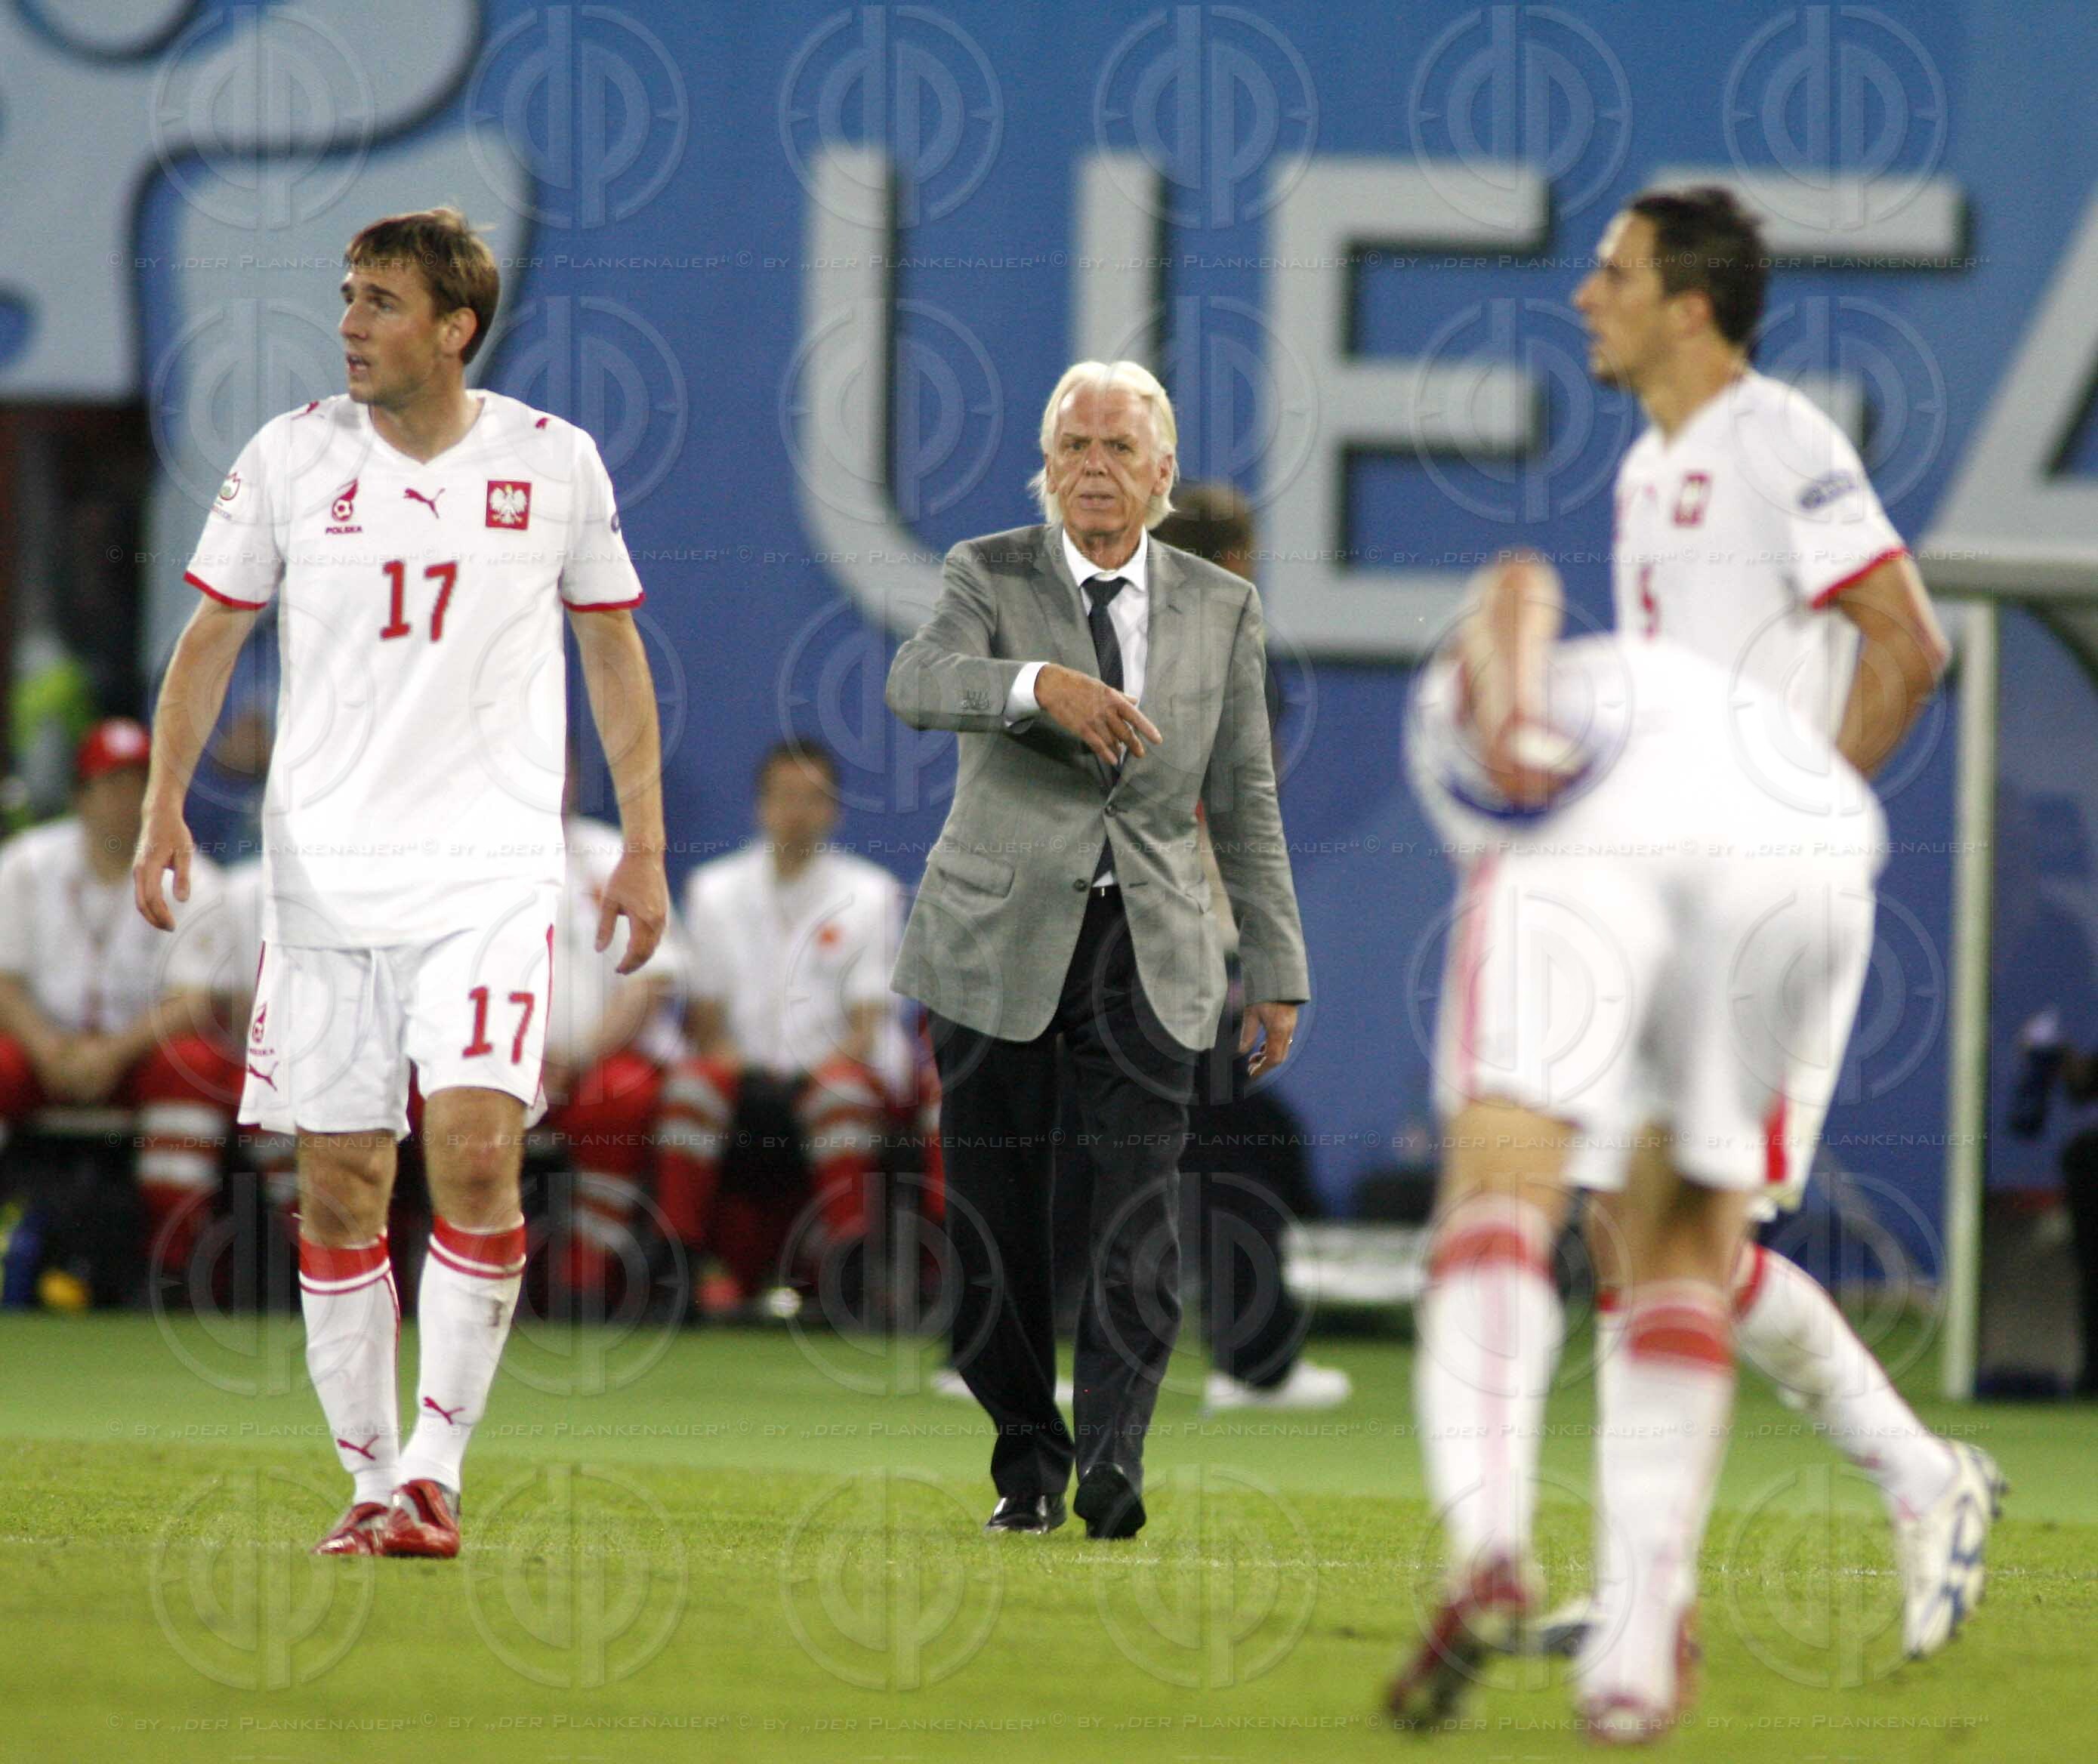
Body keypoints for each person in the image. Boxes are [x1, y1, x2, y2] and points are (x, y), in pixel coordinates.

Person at [134, 207, 667, 1560]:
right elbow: (210, 640)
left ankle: (436, 1466)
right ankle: (367, 1479)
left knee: (479, 1149)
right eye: (347, 297)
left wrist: (644, 845)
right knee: (339, 1185)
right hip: (323, 880)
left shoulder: (553, 464)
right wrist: (163, 810)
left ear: (453, 327)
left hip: (488, 875)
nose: (350, 324)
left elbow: (611, 653)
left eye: (378, 301)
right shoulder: (292, 456)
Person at [1391, 555, 1938, 1737]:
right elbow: (1522, 589)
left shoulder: (1458, 727)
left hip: (1601, 834)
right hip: (1814, 850)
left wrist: (1508, 714)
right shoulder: (1660, 686)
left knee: (1497, 1195)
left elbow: (1510, 587)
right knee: (1680, 1248)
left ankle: (1488, 1535)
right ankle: (1633, 1658)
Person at [1564, 182, 1998, 1661]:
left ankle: (1920, 1478)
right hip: (1668, 892)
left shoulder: (1779, 439)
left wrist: (1799, 810)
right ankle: (1652, 1577)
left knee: (1686, 1229)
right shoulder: (1645, 469)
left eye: (1613, 271)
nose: (1585, 293)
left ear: (1690, 304)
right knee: (1633, 1233)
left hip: (1762, 896)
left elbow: (1909, 641)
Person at [886, 359, 1310, 1538]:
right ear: (1046, 463)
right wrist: (1035, 686)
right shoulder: (987, 570)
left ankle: (1114, 1460)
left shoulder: (1220, 608)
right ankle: (1027, 1453)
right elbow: (914, 682)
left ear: (1162, 475)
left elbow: (1248, 796)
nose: (1093, 468)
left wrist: (1275, 968)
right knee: (992, 1225)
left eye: (1119, 449)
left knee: (1136, 1212)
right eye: (1073, 445)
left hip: (1151, 939)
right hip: (993, 934)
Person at [653, 739, 915, 1314]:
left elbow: (867, 1023)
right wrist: (743, 1072)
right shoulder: (714, 891)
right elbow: (705, 1020)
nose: (797, 811)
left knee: (841, 1095)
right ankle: (679, 1263)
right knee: (689, 1088)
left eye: (812, 799)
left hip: (831, 1072)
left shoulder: (870, 894)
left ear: (835, 810)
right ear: (760, 806)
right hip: (741, 1074)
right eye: (784, 797)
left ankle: (848, 1270)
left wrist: (809, 1076)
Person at [0, 718, 238, 1277]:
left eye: (140, 785)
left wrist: (111, 1054)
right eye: (112, 785)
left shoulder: (195, 877)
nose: (126, 801)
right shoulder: (26, 864)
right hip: (45, 1047)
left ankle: (172, 1263)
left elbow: (198, 1001)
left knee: (196, 1065)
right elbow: (4, 980)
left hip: (137, 1055)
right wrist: (48, 1049)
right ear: (81, 796)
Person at [543, 787, 685, 1306]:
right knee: (446, 1096)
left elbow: (652, 980)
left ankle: (588, 1273)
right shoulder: (463, 855)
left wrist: (577, 1056)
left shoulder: (614, 856)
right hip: (497, 1056)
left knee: (617, 1095)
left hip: (598, 1059)